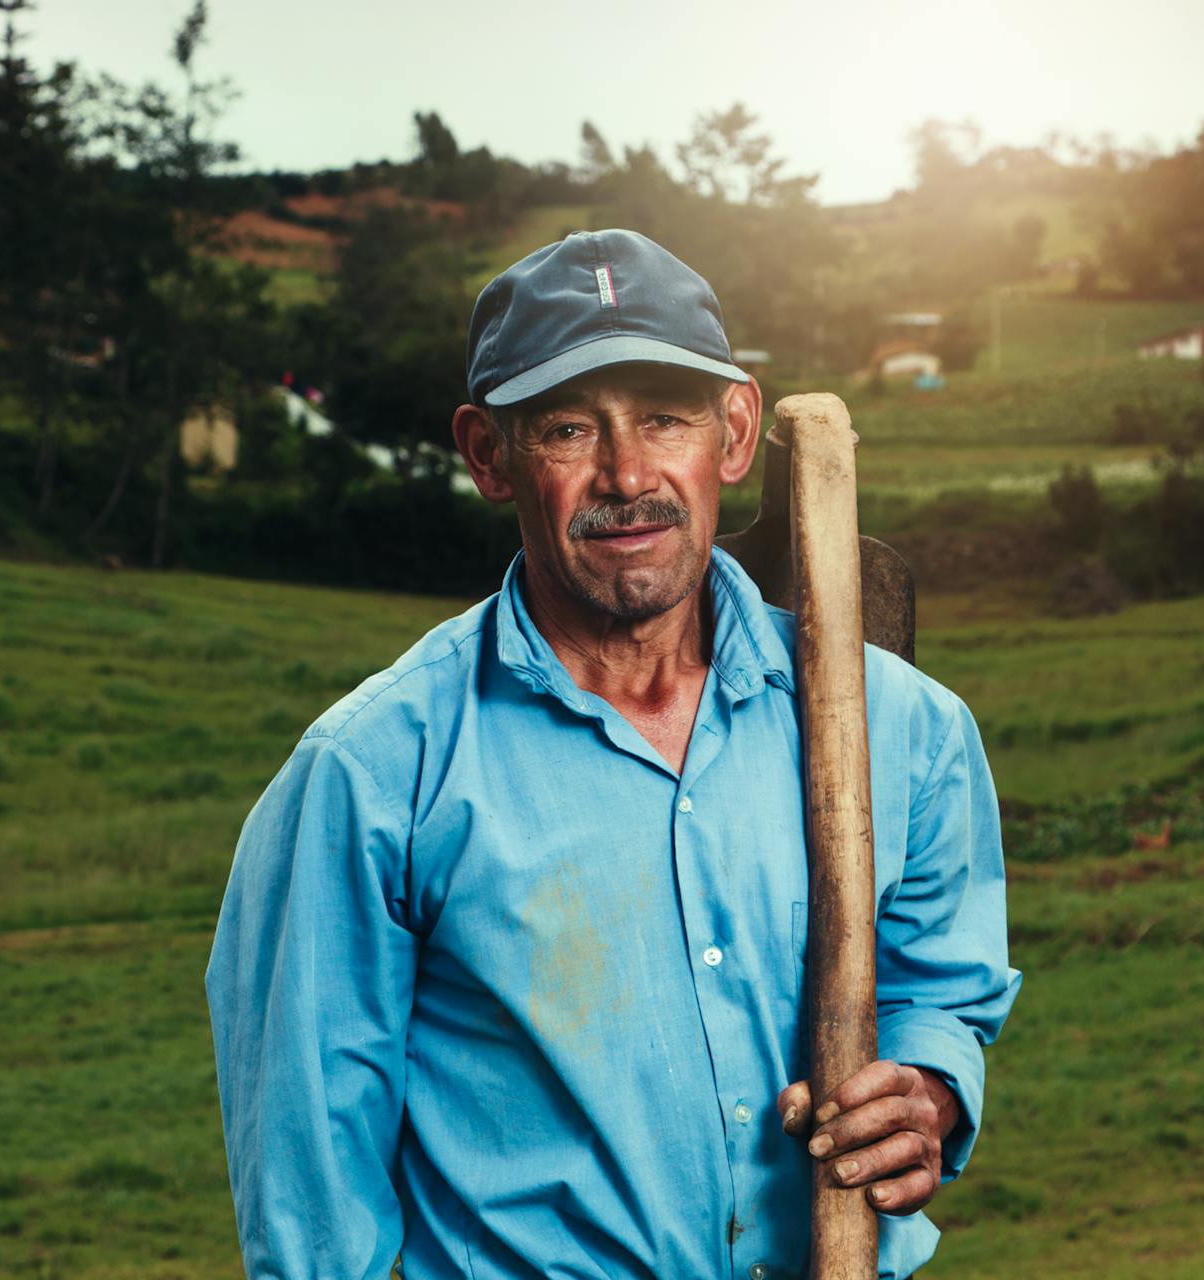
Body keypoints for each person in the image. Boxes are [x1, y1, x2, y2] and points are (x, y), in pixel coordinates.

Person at [204, 229, 1021, 1279]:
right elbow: (313, 1202)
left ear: (734, 433)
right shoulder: (370, 776)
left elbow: (938, 987)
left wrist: (926, 1088)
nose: (627, 472)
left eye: (664, 417)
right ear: (487, 454)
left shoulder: (902, 727)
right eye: (566, 428)